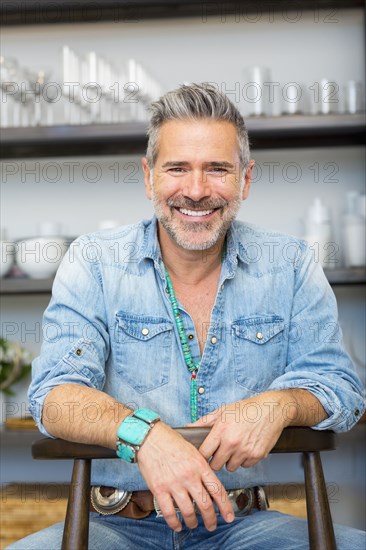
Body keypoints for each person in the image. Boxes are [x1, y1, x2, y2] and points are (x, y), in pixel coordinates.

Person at [10, 83, 365, 550]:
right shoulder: (94, 261)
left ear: (246, 178)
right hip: (116, 527)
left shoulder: (292, 262)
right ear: (148, 176)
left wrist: (278, 404)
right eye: (177, 168)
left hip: (244, 526)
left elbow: (341, 386)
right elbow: (54, 396)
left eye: (217, 169)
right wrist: (146, 437)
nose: (196, 191)